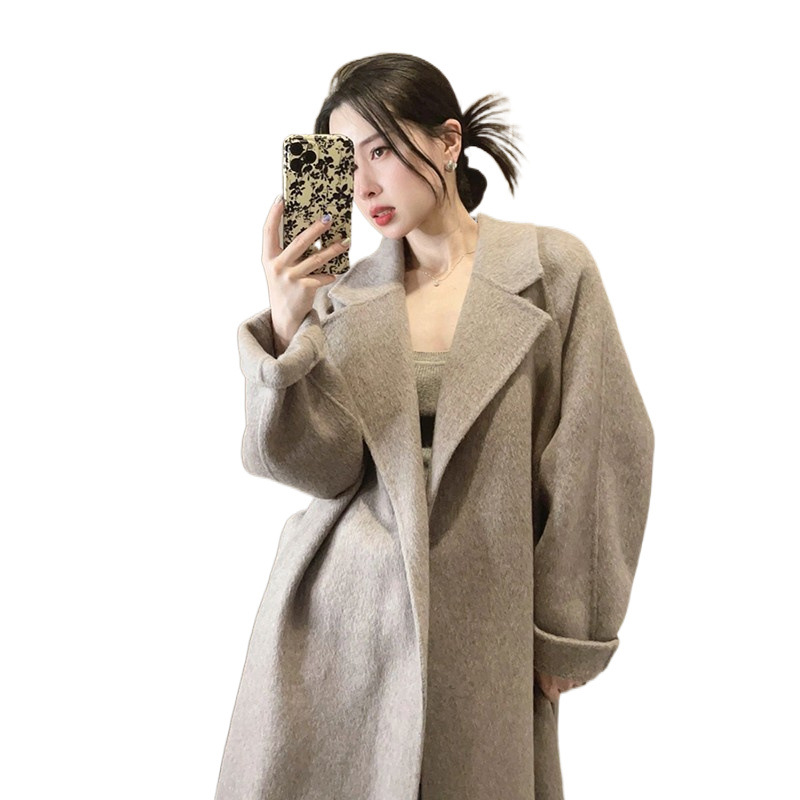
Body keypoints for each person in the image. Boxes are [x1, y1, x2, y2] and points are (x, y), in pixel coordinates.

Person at [215, 53, 654, 800]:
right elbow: (322, 468)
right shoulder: (343, 297)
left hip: (485, 629)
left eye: (381, 150)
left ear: (448, 142)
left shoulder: (551, 269)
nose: (363, 186)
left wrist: (569, 630)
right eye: (346, 161)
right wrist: (289, 327)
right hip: (340, 624)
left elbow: (602, 448)